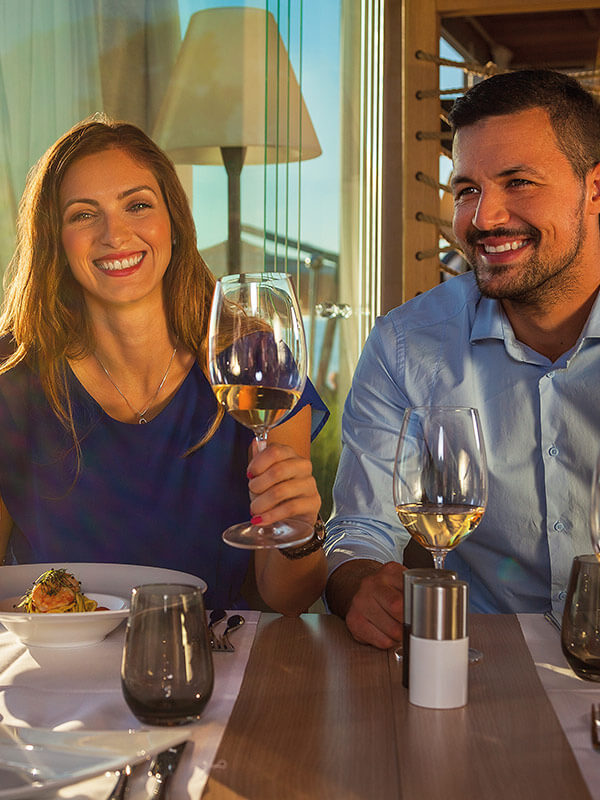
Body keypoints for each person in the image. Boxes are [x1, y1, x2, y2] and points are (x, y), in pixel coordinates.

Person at [0, 115, 329, 614]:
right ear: (54, 239)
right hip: (59, 677)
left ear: (172, 220)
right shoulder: (11, 379)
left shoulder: (254, 362)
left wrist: (299, 533)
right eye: (84, 215)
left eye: (137, 205)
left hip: (217, 669)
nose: (115, 233)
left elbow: (288, 599)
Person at [324, 68, 600, 648]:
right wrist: (360, 585)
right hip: (483, 664)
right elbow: (359, 529)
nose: (483, 218)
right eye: (467, 189)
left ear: (594, 189)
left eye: (519, 182)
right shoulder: (407, 345)